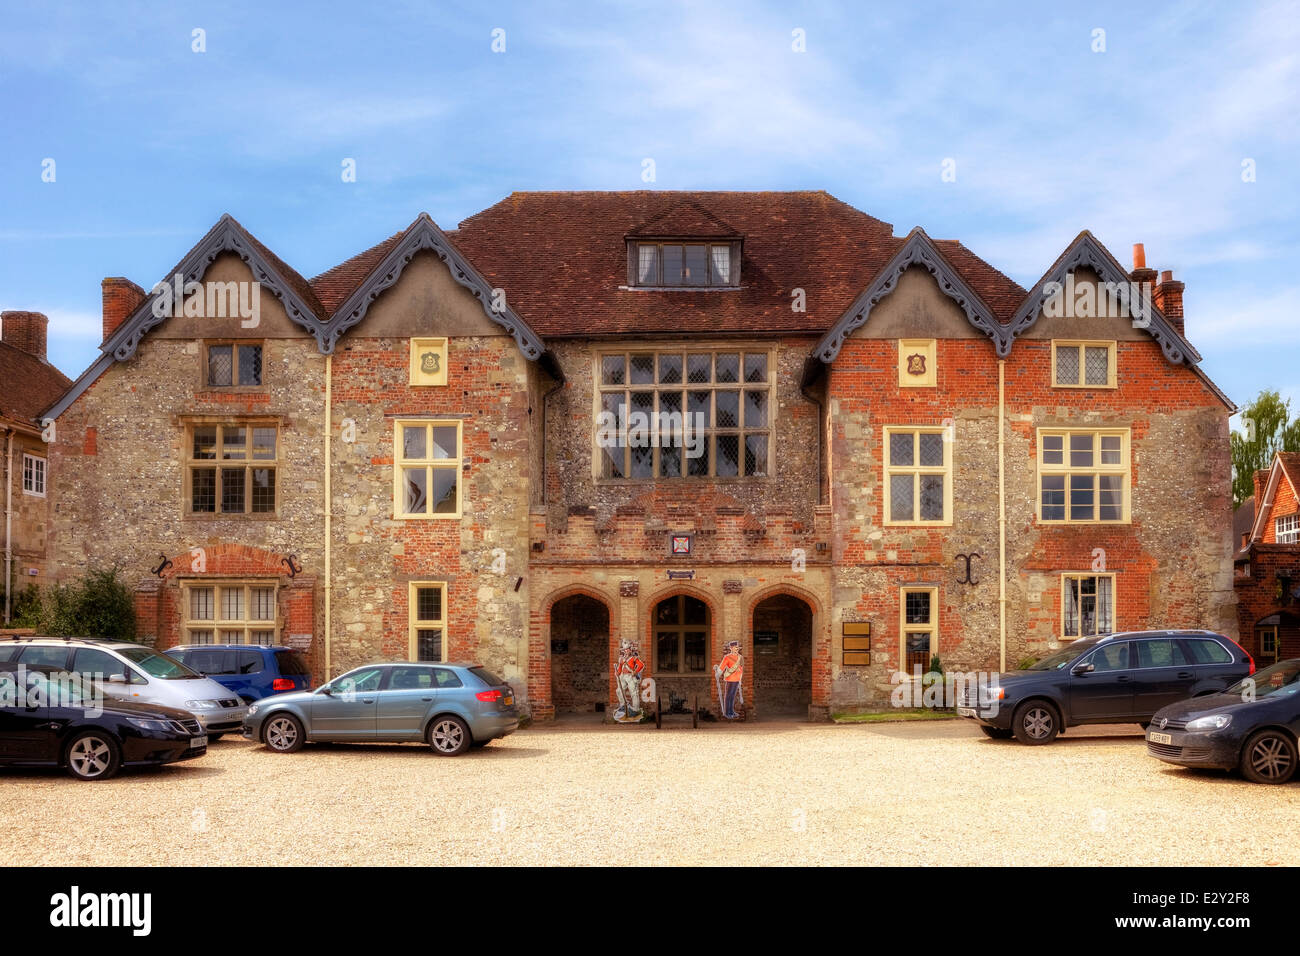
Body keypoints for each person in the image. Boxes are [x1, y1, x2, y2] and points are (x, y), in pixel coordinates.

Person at [613, 641, 645, 722]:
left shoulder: (634, 658)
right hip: (623, 676)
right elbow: (620, 667)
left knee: (634, 693)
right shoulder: (621, 659)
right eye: (625, 649)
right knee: (619, 690)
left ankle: (635, 710)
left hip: (630, 676)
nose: (626, 651)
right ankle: (624, 705)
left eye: (627, 649)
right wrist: (617, 672)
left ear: (630, 650)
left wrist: (635, 671)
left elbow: (641, 665)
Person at [715, 640, 744, 719]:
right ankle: (727, 712)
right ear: (731, 648)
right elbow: (722, 667)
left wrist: (740, 678)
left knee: (732, 696)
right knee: (728, 696)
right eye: (735, 647)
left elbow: (741, 668)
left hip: (737, 679)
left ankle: (731, 711)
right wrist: (717, 673)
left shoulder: (740, 657)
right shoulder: (727, 657)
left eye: (737, 647)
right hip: (730, 679)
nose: (737, 649)